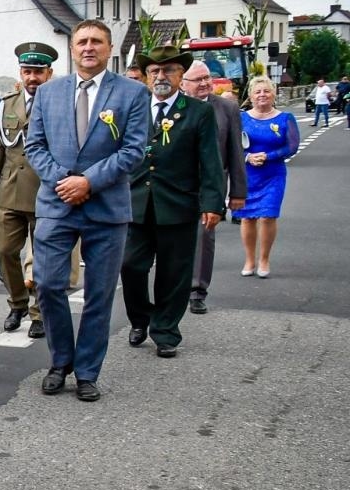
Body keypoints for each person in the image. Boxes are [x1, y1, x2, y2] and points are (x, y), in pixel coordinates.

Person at [25, 20, 150, 402]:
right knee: (48, 284)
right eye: (82, 42)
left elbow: (134, 149)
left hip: (107, 207)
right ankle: (60, 361)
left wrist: (89, 182)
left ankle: (87, 371)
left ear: (109, 48)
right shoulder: (48, 92)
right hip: (57, 203)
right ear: (72, 48)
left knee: (99, 294)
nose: (88, 47)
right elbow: (35, 147)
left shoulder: (132, 93)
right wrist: (65, 180)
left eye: (96, 41)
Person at [120, 47, 225, 359]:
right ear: (146, 76)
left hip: (178, 204)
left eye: (169, 70)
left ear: (181, 75)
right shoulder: (133, 108)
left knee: (174, 273)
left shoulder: (198, 112)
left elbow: (210, 160)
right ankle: (140, 318)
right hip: (136, 203)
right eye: (155, 71)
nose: (161, 76)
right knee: (130, 265)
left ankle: (165, 331)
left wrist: (212, 203)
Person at [0, 43, 59, 338]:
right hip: (9, 190)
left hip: (44, 191)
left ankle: (39, 312)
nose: (32, 77)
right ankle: (17, 303)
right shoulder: (7, 104)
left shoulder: (58, 103)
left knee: (43, 257)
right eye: (27, 71)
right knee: (5, 251)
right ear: (20, 72)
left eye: (38, 72)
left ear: (49, 74)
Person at [183, 61, 247, 315]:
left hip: (210, 185)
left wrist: (238, 192)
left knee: (203, 237)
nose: (204, 83)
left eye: (207, 78)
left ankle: (197, 291)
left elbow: (235, 151)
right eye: (197, 79)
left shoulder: (227, 108)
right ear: (183, 83)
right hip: (177, 185)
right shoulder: (176, 106)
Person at [233, 78, 299, 278]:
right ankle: (249, 260)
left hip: (273, 174)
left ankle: (264, 259)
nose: (262, 95)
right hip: (247, 174)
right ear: (251, 96)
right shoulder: (241, 118)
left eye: (266, 91)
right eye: (258, 92)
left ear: (273, 94)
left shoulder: (285, 118)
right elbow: (231, 144)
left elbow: (292, 146)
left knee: (268, 216)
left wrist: (268, 156)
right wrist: (248, 157)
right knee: (247, 218)